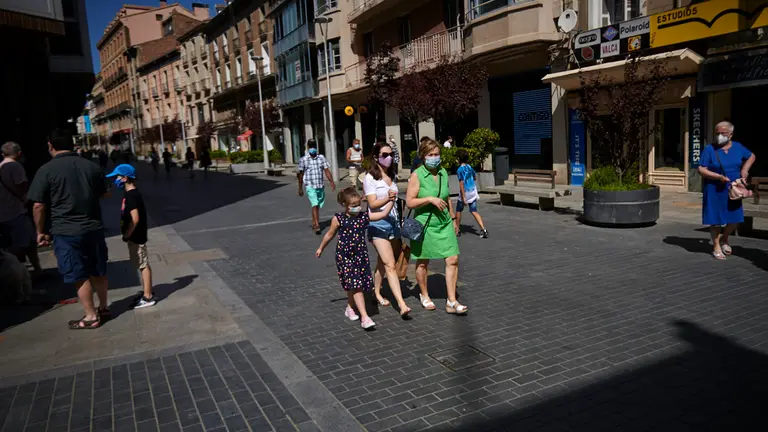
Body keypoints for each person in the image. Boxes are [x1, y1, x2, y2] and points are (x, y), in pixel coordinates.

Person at [28, 129, 111, 329]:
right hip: (93, 227)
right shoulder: (91, 166)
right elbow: (105, 193)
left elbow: (38, 205)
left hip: (66, 231)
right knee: (98, 270)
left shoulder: (46, 170)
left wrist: (40, 231)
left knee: (78, 274)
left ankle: (90, 317)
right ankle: (104, 307)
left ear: (50, 146)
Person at [316, 187, 397, 329]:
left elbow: (383, 214)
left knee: (355, 283)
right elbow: (329, 234)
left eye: (359, 204)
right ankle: (365, 317)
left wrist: (391, 200)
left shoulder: (364, 217)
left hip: (360, 256)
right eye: (353, 206)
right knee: (356, 285)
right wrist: (321, 247)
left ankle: (350, 307)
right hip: (345, 256)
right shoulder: (338, 218)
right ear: (344, 205)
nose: (357, 208)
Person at [406, 139, 466, 314]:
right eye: (430, 155)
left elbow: (446, 197)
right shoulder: (417, 175)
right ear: (423, 157)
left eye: (436, 154)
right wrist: (429, 199)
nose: (434, 158)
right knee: (423, 261)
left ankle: (451, 300)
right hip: (424, 224)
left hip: (444, 221)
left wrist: (454, 218)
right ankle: (424, 294)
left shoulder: (443, 173)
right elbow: (409, 202)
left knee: (453, 258)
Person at [697, 121, 756, 260]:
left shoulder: (738, 147)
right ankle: (716, 245)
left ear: (731, 134)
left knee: (734, 217)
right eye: (717, 133)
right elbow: (701, 169)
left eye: (723, 133)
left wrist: (745, 169)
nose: (719, 136)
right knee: (715, 219)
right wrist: (717, 176)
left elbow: (751, 156)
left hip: (733, 188)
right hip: (714, 188)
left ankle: (725, 239)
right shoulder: (709, 149)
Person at [364, 142, 411, 317]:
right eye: (384, 155)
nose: (389, 158)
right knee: (390, 265)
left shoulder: (392, 175)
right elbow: (372, 203)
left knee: (382, 263)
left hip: (393, 224)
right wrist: (388, 199)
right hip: (377, 225)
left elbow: (395, 201)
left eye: (390, 154)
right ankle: (402, 304)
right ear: (376, 157)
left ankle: (376, 291)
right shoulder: (370, 178)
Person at [106, 164, 155, 308]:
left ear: (125, 178)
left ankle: (148, 296)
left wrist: (128, 233)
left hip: (137, 236)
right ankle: (147, 291)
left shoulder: (132, 195)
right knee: (140, 263)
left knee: (143, 264)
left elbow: (135, 218)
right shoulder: (129, 194)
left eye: (118, 177)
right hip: (134, 236)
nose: (116, 180)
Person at [0, 142, 42, 277]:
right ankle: (26, 272)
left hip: (4, 213)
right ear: (19, 153)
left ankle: (27, 271)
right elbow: (22, 186)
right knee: (24, 243)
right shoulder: (15, 166)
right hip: (16, 211)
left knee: (19, 243)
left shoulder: (1, 167)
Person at [298, 139, 336, 235]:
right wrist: (300, 187)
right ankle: (317, 226)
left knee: (317, 205)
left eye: (314, 145)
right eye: (310, 146)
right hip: (310, 185)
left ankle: (314, 221)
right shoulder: (303, 159)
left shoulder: (321, 158)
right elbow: (300, 174)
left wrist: (331, 181)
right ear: (308, 147)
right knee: (314, 204)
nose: (312, 148)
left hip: (320, 185)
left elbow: (326, 170)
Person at [455, 149, 488, 238]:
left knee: (458, 210)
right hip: (473, 191)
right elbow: (474, 177)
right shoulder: (469, 167)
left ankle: (457, 230)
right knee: (473, 211)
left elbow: (461, 183)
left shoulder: (459, 170)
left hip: (465, 192)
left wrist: (463, 197)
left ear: (458, 159)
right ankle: (483, 229)